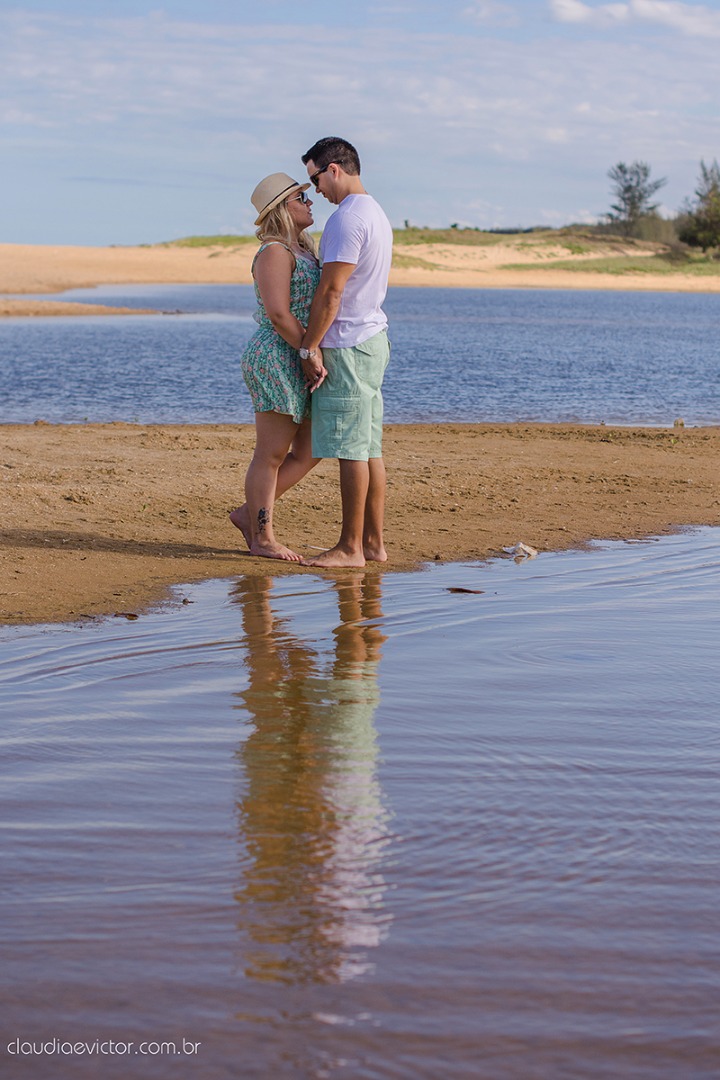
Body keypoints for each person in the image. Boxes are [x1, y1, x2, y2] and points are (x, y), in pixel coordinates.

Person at [297, 137, 393, 569]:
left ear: (333, 169)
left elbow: (331, 291)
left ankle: (351, 548)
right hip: (371, 338)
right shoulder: (375, 212)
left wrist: (309, 345)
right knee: (369, 447)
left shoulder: (347, 218)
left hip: (349, 343)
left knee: (353, 450)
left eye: (316, 179)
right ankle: (371, 543)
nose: (316, 190)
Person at [230, 172, 326, 561]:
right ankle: (263, 538)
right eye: (301, 198)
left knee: (313, 447)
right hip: (277, 356)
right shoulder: (274, 251)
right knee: (270, 454)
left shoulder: (302, 249)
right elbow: (278, 313)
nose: (310, 202)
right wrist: (309, 351)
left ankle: (247, 515)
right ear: (282, 210)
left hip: (298, 352)